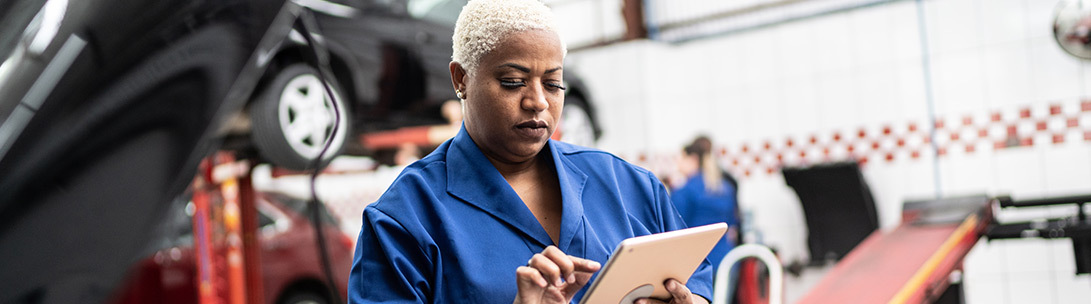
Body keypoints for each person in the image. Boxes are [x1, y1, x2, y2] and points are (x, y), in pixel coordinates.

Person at [347, 0, 713, 303]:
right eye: (512, 82)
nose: (538, 102)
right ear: (461, 79)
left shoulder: (630, 186)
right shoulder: (404, 218)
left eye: (553, 84)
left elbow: (696, 279)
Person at [671, 136, 740, 273]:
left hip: (698, 264)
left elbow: (674, 229)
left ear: (693, 159)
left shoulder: (684, 192)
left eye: (682, 158)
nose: (678, 163)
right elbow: (733, 224)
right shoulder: (724, 187)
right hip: (727, 260)